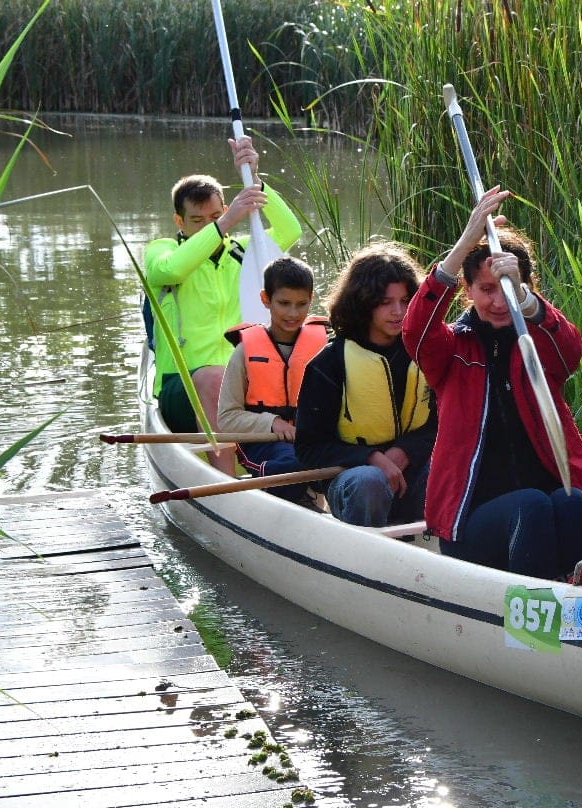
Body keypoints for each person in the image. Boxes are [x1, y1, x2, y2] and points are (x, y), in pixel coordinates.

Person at [402, 187, 582, 580]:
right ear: (467, 290)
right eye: (486, 289)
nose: (498, 301)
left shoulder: (538, 345)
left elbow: (570, 351)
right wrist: (466, 241)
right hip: (473, 525)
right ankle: (534, 617)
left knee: (573, 502)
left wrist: (528, 304)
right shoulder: (452, 350)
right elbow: (416, 330)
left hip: (541, 517)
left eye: (508, 288)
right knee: (531, 504)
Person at [144, 136, 303, 474]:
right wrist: (227, 220)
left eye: (215, 214)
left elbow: (290, 230)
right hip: (181, 386)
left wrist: (256, 180)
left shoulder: (244, 252)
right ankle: (227, 482)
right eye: (197, 220)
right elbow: (170, 269)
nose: (209, 224)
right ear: (179, 223)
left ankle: (296, 478)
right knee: (215, 378)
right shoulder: (162, 251)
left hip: (243, 386)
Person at [293, 242, 436, 526]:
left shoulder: (426, 353)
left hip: (413, 472)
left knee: (455, 467)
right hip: (354, 478)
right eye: (385, 302)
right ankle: (368, 557)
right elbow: (309, 448)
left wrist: (404, 451)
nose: (398, 311)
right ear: (363, 303)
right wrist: (371, 457)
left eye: (406, 301)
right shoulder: (329, 364)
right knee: (369, 481)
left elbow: (441, 426)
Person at [217, 256, 329, 501]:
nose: (293, 313)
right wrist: (273, 422)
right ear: (266, 299)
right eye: (284, 303)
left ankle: (313, 499)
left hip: (311, 442)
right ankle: (301, 501)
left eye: (302, 304)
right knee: (291, 464)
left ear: (312, 300)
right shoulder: (244, 352)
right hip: (263, 443)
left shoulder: (326, 348)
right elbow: (226, 419)